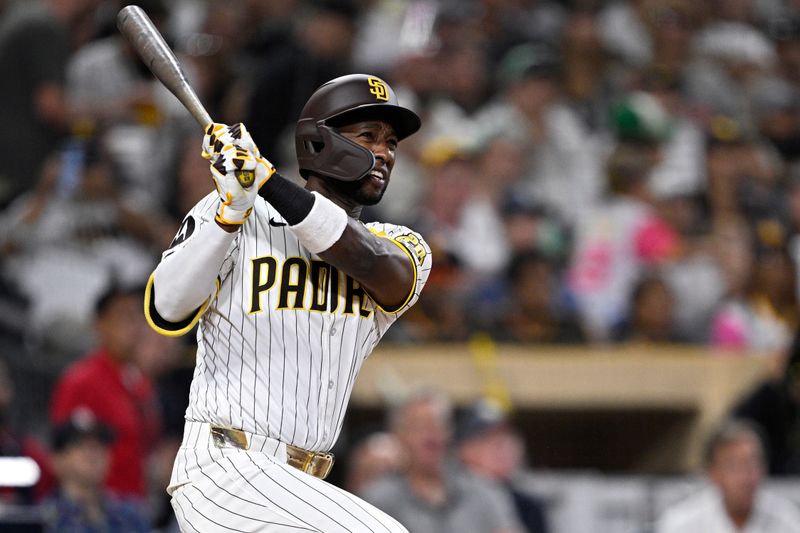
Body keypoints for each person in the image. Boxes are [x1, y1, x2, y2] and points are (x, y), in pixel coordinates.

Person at [145, 74, 432, 531]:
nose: (385, 153)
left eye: (392, 141)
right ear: (319, 143)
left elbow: (371, 262)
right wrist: (229, 213)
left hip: (301, 486)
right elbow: (167, 307)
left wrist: (268, 180)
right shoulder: (238, 209)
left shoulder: (398, 243)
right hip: (226, 467)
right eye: (368, 136)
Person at [50, 285, 160, 501]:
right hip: (98, 508)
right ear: (99, 325)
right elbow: (63, 451)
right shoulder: (81, 381)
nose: (134, 326)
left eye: (138, 317)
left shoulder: (141, 383)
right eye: (123, 317)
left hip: (136, 505)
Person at [360, 390, 522, 533]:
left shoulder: (485, 493)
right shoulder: (377, 501)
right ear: (399, 435)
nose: (430, 435)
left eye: (438, 424)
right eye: (419, 426)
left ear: (450, 432)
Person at [655, 418, 800, 533]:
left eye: (754, 463)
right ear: (713, 473)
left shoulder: (787, 519)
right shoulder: (682, 523)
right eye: (735, 466)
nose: (747, 476)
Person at [43, 409, 150, 533]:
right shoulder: (44, 519)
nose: (93, 453)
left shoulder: (131, 514)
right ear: (56, 460)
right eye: (79, 445)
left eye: (100, 444)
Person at [455, 400, 550, 533]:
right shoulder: (448, 498)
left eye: (505, 436)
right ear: (464, 450)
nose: (501, 445)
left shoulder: (528, 507)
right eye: (488, 438)